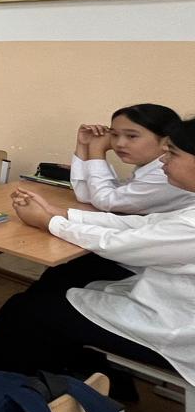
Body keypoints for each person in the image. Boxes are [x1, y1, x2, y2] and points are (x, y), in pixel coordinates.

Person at [0, 117, 195, 389]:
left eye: (172, 153)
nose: (163, 159)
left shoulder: (187, 219)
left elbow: (118, 241)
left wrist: (49, 221)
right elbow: (141, 224)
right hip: (167, 305)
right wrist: (57, 213)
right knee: (59, 283)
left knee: (25, 310)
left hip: (172, 330)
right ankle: (70, 379)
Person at [31, 102, 184, 295]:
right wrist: (84, 146)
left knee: (58, 278)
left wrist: (96, 152)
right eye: (114, 134)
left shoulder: (163, 175)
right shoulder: (149, 167)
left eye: (131, 136)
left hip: (146, 264)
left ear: (166, 141)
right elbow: (87, 196)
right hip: (134, 248)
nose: (119, 143)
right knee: (55, 276)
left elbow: (104, 201)